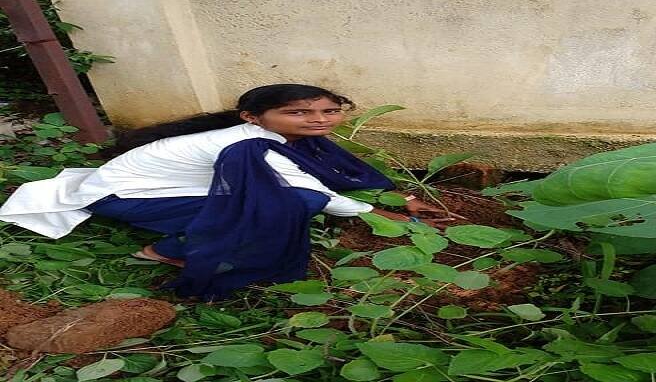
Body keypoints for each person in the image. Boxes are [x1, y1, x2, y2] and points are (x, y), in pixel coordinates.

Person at [0, 84, 455, 299]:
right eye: (300, 113)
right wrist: (395, 219)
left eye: (329, 111)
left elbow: (338, 169)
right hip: (122, 195)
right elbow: (314, 192)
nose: (319, 120)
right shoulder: (249, 145)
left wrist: (401, 197)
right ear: (252, 117)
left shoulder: (287, 137)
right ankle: (166, 250)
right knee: (282, 207)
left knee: (280, 200)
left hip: (159, 187)